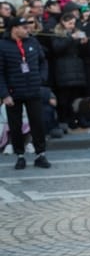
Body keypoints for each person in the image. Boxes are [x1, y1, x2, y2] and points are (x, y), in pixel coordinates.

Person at [0, 16, 52, 169]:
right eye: (24, 27)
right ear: (15, 28)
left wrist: (41, 78)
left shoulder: (33, 42)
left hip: (33, 89)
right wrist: (4, 94)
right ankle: (20, 155)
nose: (27, 29)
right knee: (15, 125)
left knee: (38, 123)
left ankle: (40, 154)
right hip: (13, 92)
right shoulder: (3, 45)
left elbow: (43, 61)